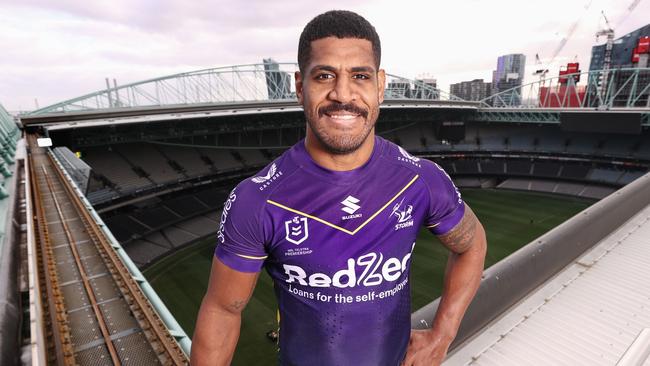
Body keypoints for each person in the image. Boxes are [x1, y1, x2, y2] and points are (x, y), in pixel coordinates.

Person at [191, 10, 486, 366]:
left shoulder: (420, 179)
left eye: (359, 76)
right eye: (324, 75)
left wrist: (442, 334)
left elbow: (472, 245)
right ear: (301, 86)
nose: (342, 93)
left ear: (380, 84)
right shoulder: (256, 199)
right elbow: (223, 311)